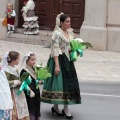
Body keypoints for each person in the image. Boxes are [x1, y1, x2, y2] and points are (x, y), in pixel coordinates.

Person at [41, 13, 81, 119]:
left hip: (67, 61)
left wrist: (75, 50)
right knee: (59, 84)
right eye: (67, 22)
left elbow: (68, 47)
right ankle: (58, 107)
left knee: (67, 84)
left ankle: (63, 108)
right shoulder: (57, 34)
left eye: (69, 22)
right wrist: (57, 65)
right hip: (58, 59)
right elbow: (55, 49)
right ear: (62, 23)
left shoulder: (69, 33)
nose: (69, 23)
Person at [2, 51, 30, 120]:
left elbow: (19, 79)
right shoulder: (6, 70)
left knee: (22, 109)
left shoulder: (16, 69)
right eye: (18, 59)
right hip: (12, 93)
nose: (19, 61)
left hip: (19, 93)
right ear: (13, 61)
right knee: (14, 111)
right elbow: (4, 82)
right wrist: (14, 82)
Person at [20, 52, 43, 120]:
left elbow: (34, 79)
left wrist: (38, 81)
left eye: (35, 60)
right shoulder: (24, 70)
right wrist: (29, 90)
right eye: (32, 60)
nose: (34, 61)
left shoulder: (34, 69)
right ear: (27, 60)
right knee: (31, 107)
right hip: (29, 92)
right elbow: (23, 83)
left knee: (37, 107)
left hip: (36, 91)